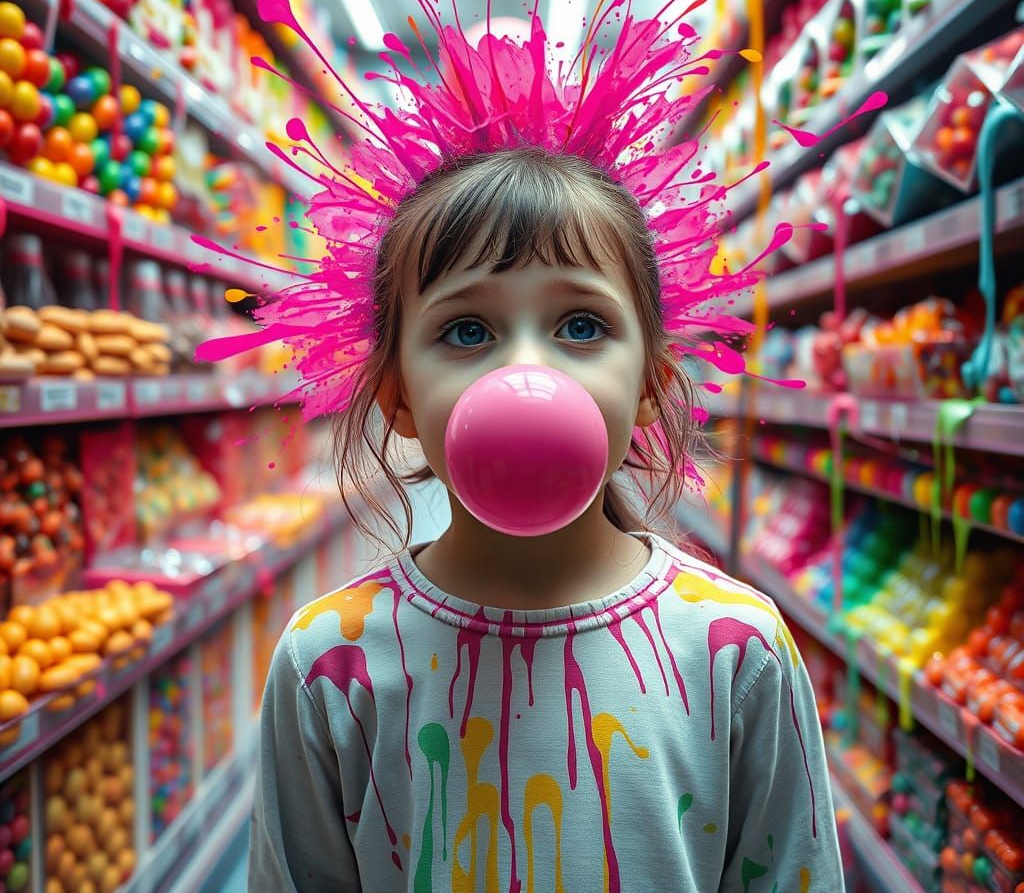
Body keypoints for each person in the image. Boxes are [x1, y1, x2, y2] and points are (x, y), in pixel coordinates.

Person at [246, 145, 845, 891]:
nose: (525, 371)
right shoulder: (330, 664)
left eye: (582, 326)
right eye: (468, 332)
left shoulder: (736, 650)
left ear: (653, 385)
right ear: (398, 394)